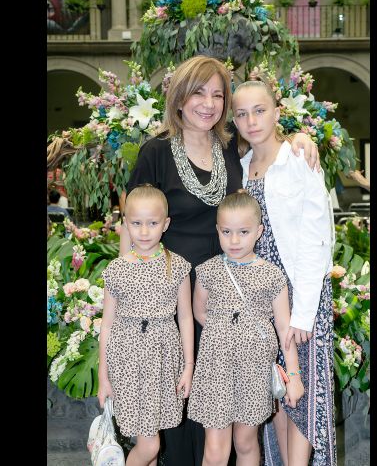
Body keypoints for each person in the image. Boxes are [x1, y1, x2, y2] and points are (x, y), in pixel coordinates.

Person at [120, 54, 321, 466]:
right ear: (179, 98)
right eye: (198, 92)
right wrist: (128, 298)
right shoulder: (155, 153)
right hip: (170, 301)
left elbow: (272, 149)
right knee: (175, 408)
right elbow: (133, 225)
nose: (208, 103)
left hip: (226, 299)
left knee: (229, 423)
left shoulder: (234, 150)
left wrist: (302, 139)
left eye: (217, 94)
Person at [232, 78, 337, 465]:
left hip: (299, 295)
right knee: (275, 393)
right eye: (242, 114)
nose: (251, 120)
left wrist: (304, 312)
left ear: (277, 112)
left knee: (303, 396)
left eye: (259, 110)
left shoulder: (297, 159)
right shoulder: (241, 168)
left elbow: (317, 240)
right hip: (260, 300)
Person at [188, 191, 304, 466]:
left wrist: (294, 375)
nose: (235, 240)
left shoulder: (272, 275)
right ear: (217, 230)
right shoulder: (207, 271)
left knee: (245, 442)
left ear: (259, 231)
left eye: (243, 231)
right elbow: (200, 311)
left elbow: (284, 327)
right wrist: (226, 335)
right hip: (215, 369)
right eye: (226, 232)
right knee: (215, 452)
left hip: (254, 370)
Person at [97, 184, 195, 466]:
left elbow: (186, 317)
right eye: (136, 223)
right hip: (126, 359)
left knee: (148, 440)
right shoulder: (116, 269)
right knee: (149, 443)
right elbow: (107, 325)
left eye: (152, 223)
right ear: (125, 223)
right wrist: (103, 376)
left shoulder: (177, 266)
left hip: (163, 358)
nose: (143, 231)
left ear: (165, 224)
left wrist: (188, 366)